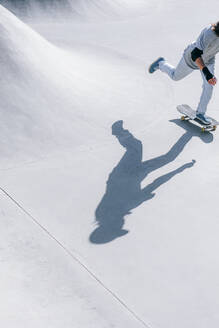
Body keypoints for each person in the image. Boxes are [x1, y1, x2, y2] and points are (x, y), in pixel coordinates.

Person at [149, 22, 219, 124]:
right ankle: (161, 64)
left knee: (209, 85)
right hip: (191, 58)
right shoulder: (210, 33)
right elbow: (195, 55)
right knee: (175, 76)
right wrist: (207, 74)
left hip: (208, 59)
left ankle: (200, 113)